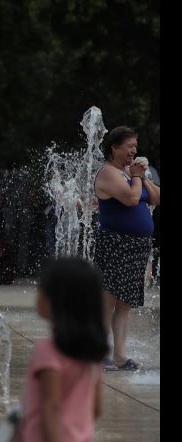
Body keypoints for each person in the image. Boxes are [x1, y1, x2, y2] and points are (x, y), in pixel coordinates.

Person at [14, 257, 108, 442]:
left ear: (55, 301)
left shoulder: (48, 352)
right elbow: (95, 409)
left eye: (41, 290)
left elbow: (52, 406)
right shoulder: (94, 356)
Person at [92, 126, 160, 372]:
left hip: (137, 246)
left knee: (125, 303)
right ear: (114, 147)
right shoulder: (108, 173)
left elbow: (155, 198)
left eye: (135, 146)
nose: (134, 151)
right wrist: (137, 177)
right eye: (129, 146)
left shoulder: (130, 173)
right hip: (116, 243)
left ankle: (120, 356)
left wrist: (141, 176)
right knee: (107, 299)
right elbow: (132, 199)